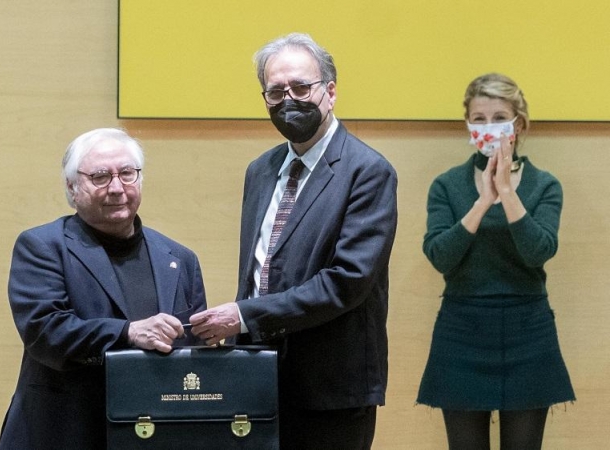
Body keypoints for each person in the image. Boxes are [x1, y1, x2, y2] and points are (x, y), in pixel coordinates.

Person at [189, 32, 398, 449]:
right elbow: (258, 271)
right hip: (255, 375)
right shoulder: (260, 170)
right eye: (275, 91)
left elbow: (346, 282)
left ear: (330, 91)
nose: (289, 99)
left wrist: (245, 316)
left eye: (301, 87)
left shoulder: (368, 171)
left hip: (330, 385)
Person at [0, 128, 207, 449]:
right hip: (62, 432)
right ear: (72, 186)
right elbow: (45, 332)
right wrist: (128, 333)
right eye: (100, 177)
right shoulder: (41, 246)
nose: (117, 188)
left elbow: (192, 353)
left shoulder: (180, 259)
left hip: (151, 434)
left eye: (127, 174)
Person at [416, 73, 575, 449]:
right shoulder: (447, 185)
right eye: (479, 119)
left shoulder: (544, 185)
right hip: (462, 327)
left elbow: (539, 251)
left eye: (499, 117)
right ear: (468, 124)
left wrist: (506, 192)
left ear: (518, 124)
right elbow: (440, 255)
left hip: (528, 327)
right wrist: (483, 201)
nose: (489, 128)